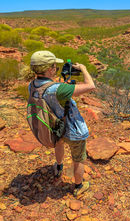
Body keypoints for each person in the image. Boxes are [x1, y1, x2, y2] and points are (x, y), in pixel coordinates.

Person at [29, 50, 96, 197]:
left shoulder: (32, 85)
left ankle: (58, 166)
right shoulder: (59, 89)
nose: (56, 68)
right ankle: (78, 186)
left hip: (54, 128)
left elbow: (51, 93)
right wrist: (84, 69)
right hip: (73, 130)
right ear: (49, 69)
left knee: (59, 145)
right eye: (55, 66)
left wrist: (62, 84)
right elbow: (91, 86)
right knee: (78, 159)